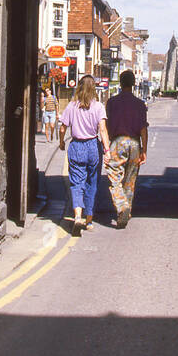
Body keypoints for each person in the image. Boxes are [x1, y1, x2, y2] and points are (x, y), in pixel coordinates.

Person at [59, 75, 110, 235]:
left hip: (76, 145)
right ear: (93, 88)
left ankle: (77, 215)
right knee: (92, 182)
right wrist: (107, 150)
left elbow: (63, 128)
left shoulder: (72, 106)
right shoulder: (98, 107)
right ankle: (89, 220)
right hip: (93, 146)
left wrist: (61, 142)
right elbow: (102, 130)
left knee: (76, 182)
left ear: (79, 87)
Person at [105, 69, 148, 228]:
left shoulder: (111, 102)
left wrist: (107, 144)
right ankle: (126, 211)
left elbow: (107, 125)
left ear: (121, 83)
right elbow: (143, 129)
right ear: (133, 84)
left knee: (114, 177)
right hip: (135, 143)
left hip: (118, 141)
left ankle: (121, 206)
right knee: (130, 180)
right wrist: (144, 150)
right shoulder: (140, 104)